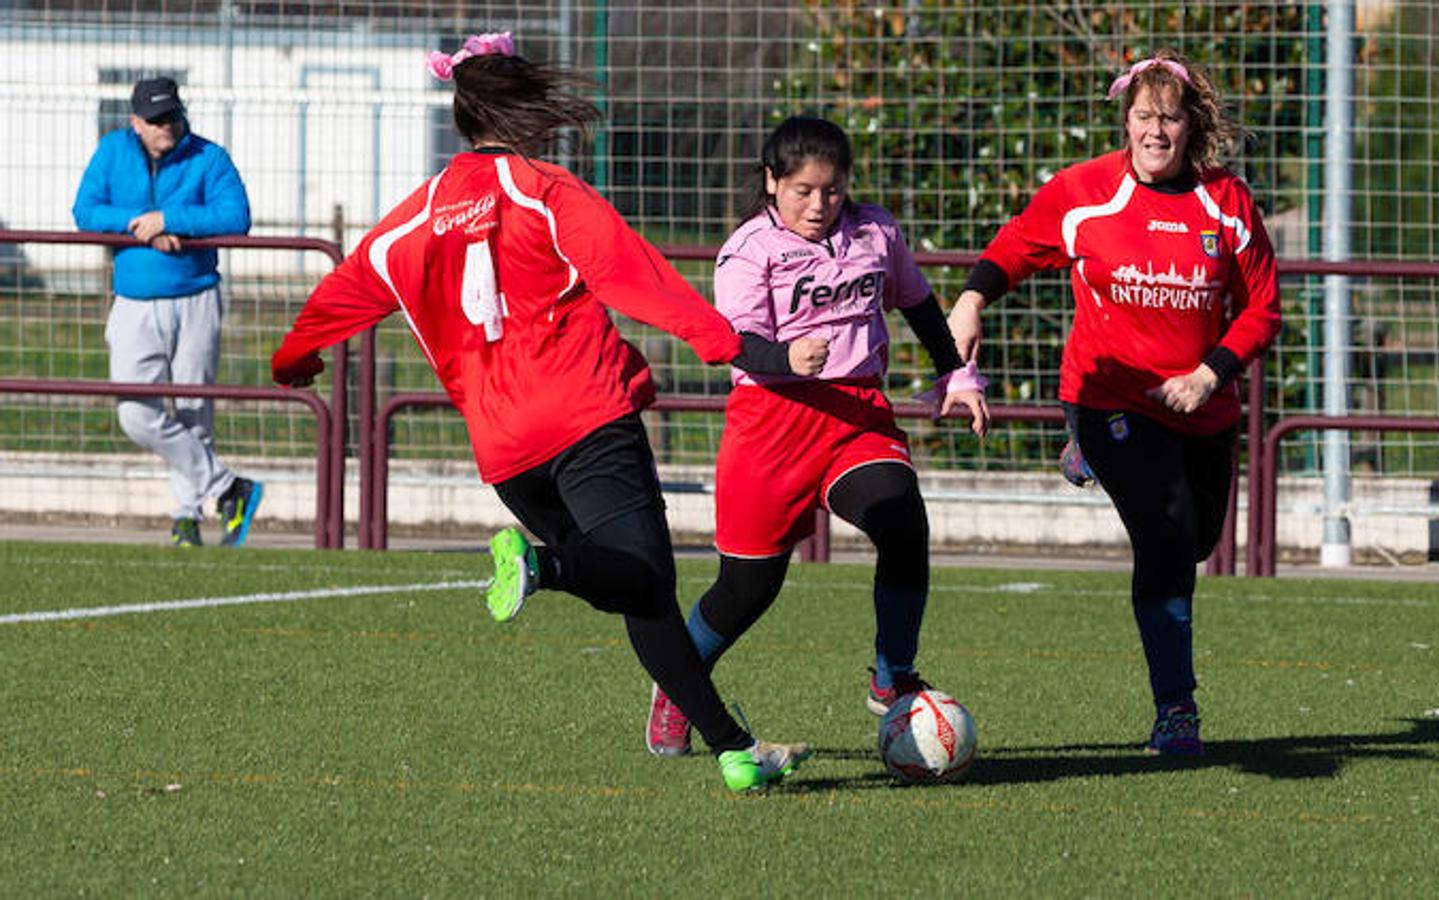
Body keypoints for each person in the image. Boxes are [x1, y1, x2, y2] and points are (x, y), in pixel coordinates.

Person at [268, 33, 808, 790]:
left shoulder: (406, 223)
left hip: (506, 451)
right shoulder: (547, 191)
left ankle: (734, 750)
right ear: (522, 110)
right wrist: (739, 347)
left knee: (637, 588)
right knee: (644, 580)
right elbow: (635, 277)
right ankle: (539, 564)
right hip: (584, 417)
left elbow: (337, 297)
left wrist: (294, 360)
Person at [946, 53, 1281, 755]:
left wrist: (1209, 374)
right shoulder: (1083, 191)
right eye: (1142, 116)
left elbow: (1262, 311)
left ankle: (1090, 455)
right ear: (1125, 121)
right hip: (1108, 396)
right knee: (1163, 537)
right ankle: (1176, 708)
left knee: (1195, 543)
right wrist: (972, 298)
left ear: (1193, 125)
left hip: (1200, 409)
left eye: (1168, 116)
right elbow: (1015, 246)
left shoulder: (1227, 203)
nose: (1154, 131)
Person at [644, 116, 990, 756]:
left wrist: (957, 375)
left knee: (901, 519)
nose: (819, 204)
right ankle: (677, 687)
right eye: (802, 190)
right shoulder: (749, 250)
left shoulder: (875, 231)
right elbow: (734, 345)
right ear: (772, 182)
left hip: (856, 414)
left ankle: (892, 677)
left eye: (831, 191)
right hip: (770, 426)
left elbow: (915, 303)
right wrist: (785, 358)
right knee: (746, 591)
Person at [73, 76, 264, 548]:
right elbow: (86, 211)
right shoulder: (112, 153)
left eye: (173, 116)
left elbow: (235, 216)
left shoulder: (208, 156)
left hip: (196, 295)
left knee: (196, 409)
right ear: (135, 123)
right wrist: (141, 225)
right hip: (134, 301)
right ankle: (228, 487)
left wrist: (173, 219)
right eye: (155, 120)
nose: (167, 126)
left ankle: (185, 519)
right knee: (136, 413)